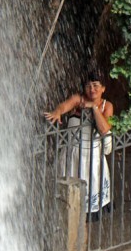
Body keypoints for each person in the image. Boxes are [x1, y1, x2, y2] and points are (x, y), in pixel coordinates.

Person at [44, 72, 114, 218]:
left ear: (103, 88)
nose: (92, 89)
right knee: (68, 203)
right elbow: (64, 106)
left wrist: (93, 107)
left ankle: (82, 238)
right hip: (73, 155)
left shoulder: (107, 106)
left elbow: (104, 129)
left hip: (92, 159)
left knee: (87, 209)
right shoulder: (78, 100)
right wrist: (57, 112)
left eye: (96, 85)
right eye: (88, 86)